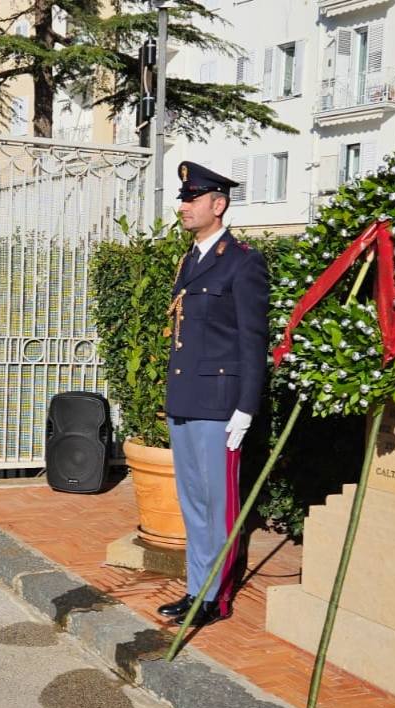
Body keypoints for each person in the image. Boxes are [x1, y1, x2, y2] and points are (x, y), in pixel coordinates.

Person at [156, 162, 270, 628]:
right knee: (192, 504)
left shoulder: (242, 261)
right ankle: (194, 588)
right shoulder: (191, 260)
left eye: (192, 198)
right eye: (183, 198)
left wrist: (246, 405)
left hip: (219, 404)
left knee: (217, 506)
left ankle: (214, 598)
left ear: (217, 204)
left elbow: (251, 339)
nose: (183, 206)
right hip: (186, 399)